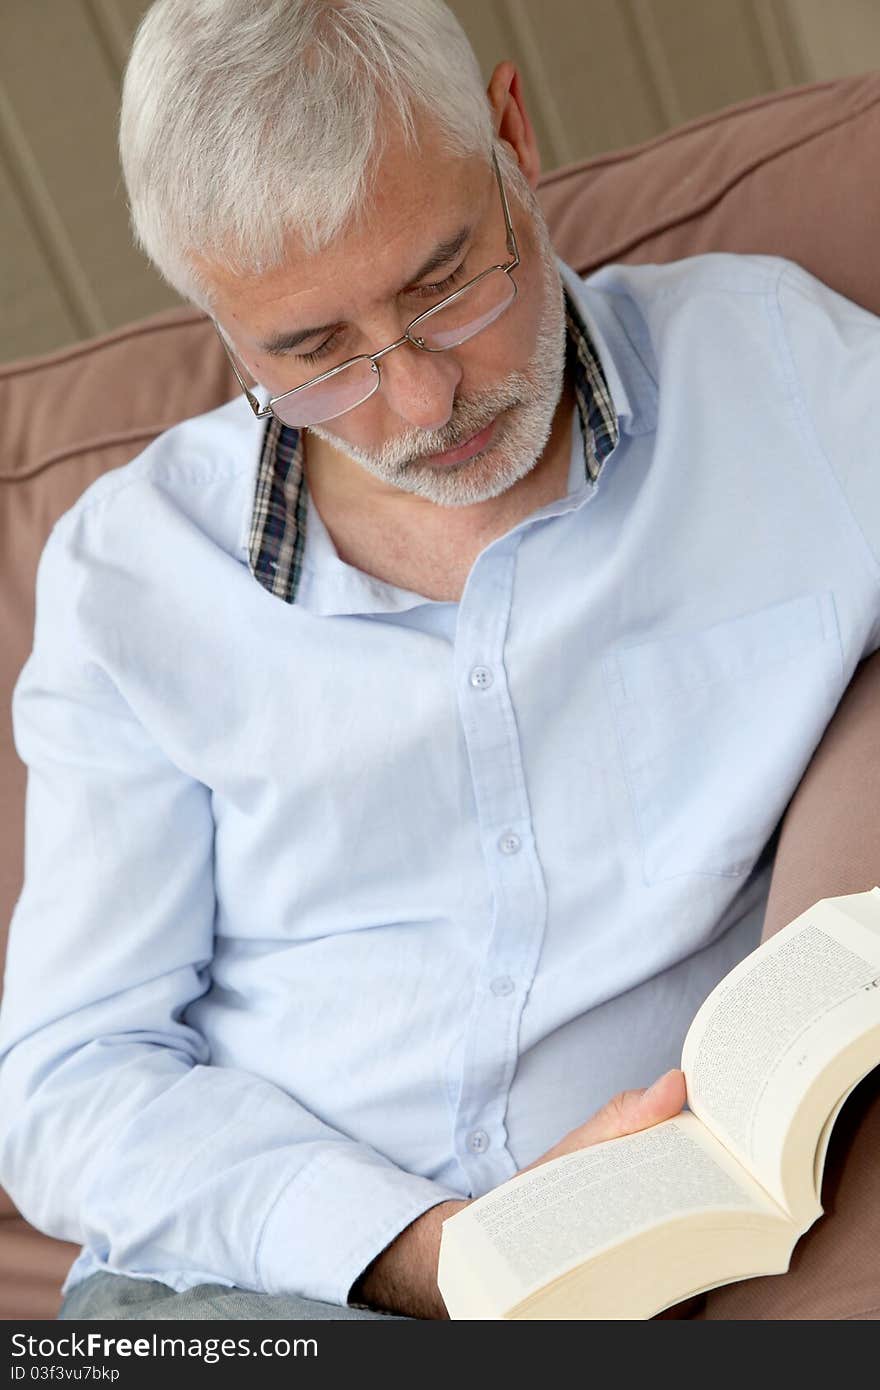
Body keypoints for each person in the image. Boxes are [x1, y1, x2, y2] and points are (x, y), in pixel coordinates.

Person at [0, 0, 878, 1323]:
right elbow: (72, 1076)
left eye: (447, 284)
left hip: (650, 1271)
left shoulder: (782, 377)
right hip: (235, 1296)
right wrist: (439, 1250)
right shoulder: (129, 579)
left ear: (511, 138)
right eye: (315, 355)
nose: (420, 401)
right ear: (223, 325)